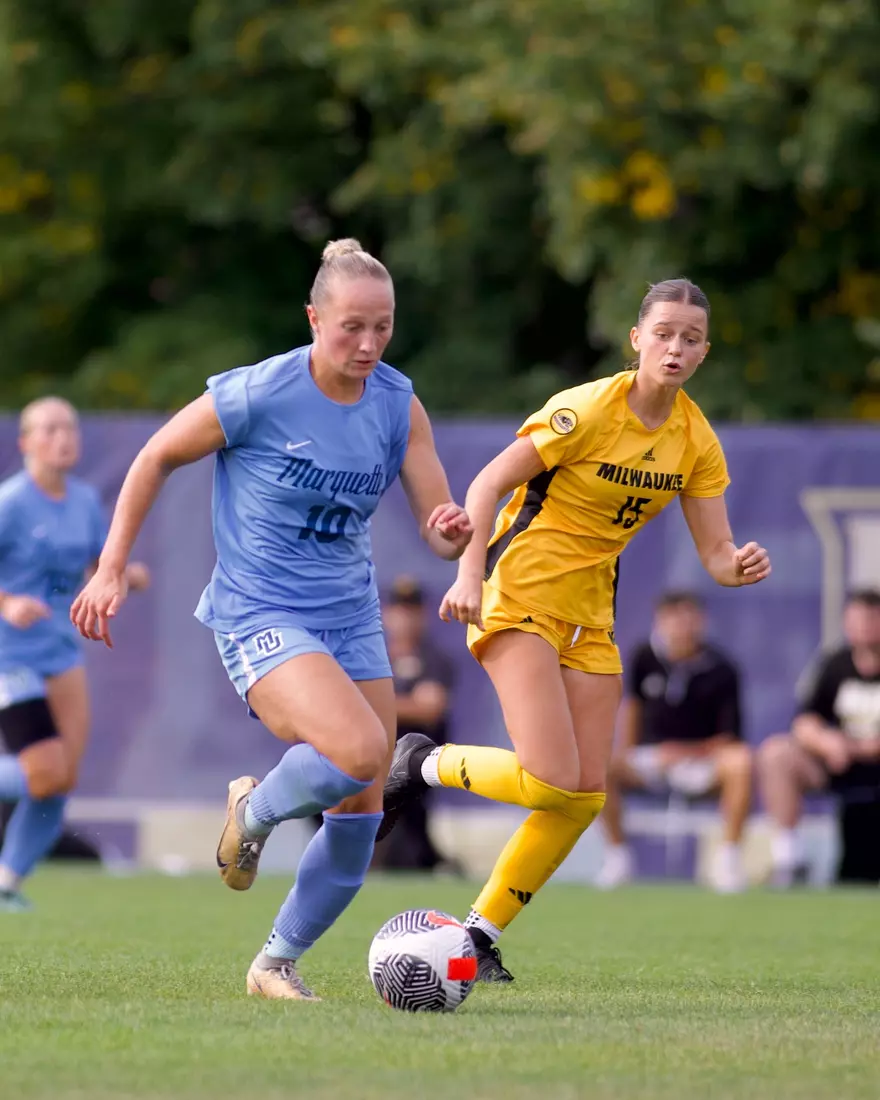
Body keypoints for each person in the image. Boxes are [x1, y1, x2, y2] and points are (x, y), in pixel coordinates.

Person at [71, 239, 472, 1001]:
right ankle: (253, 810)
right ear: (314, 319)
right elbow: (154, 456)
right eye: (351, 326)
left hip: (350, 616)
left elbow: (437, 523)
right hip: (261, 610)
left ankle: (275, 964)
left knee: (362, 804)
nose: (368, 344)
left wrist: (450, 530)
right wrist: (112, 565)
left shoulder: (398, 404)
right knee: (360, 750)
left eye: (382, 327)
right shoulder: (258, 393)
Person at [380, 278, 771, 982]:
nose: (675, 348)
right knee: (551, 778)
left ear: (704, 352)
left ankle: (479, 934)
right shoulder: (586, 409)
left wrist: (737, 566)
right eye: (663, 334)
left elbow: (717, 554)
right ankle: (420, 763)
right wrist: (467, 575)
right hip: (519, 591)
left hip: (590, 615)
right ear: (636, 339)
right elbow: (487, 484)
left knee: (583, 795)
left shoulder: (696, 441)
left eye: (690, 339)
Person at [0, 397, 150, 911]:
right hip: (10, 654)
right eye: (49, 429)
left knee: (62, 780)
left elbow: (97, 564)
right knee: (44, 772)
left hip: (61, 652)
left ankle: (6, 885)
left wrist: (124, 575)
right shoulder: (11, 503)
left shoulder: (84, 500)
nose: (62, 437)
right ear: (26, 442)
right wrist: (8, 602)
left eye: (69, 428)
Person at [597, 590, 750, 893]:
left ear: (702, 621)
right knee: (599, 767)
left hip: (701, 762)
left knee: (741, 763)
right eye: (674, 618)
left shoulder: (723, 669)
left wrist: (684, 752)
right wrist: (628, 751)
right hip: (650, 760)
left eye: (690, 618)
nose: (683, 626)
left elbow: (729, 738)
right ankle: (618, 858)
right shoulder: (643, 657)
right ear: (660, 621)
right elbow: (633, 707)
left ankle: (728, 861)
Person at [758, 588, 880, 886]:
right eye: (856, 619)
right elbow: (805, 722)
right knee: (777, 754)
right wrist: (828, 743)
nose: (863, 627)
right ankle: (789, 858)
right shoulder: (833, 664)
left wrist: (853, 748)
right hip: (838, 766)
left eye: (871, 619)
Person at [374, 575, 457, 872]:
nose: (405, 619)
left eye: (412, 610)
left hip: (413, 762)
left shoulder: (433, 659)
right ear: (386, 614)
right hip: (373, 755)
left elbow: (429, 709)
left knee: (406, 848)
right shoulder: (374, 657)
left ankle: (429, 861)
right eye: (399, 610)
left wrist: (372, 703)